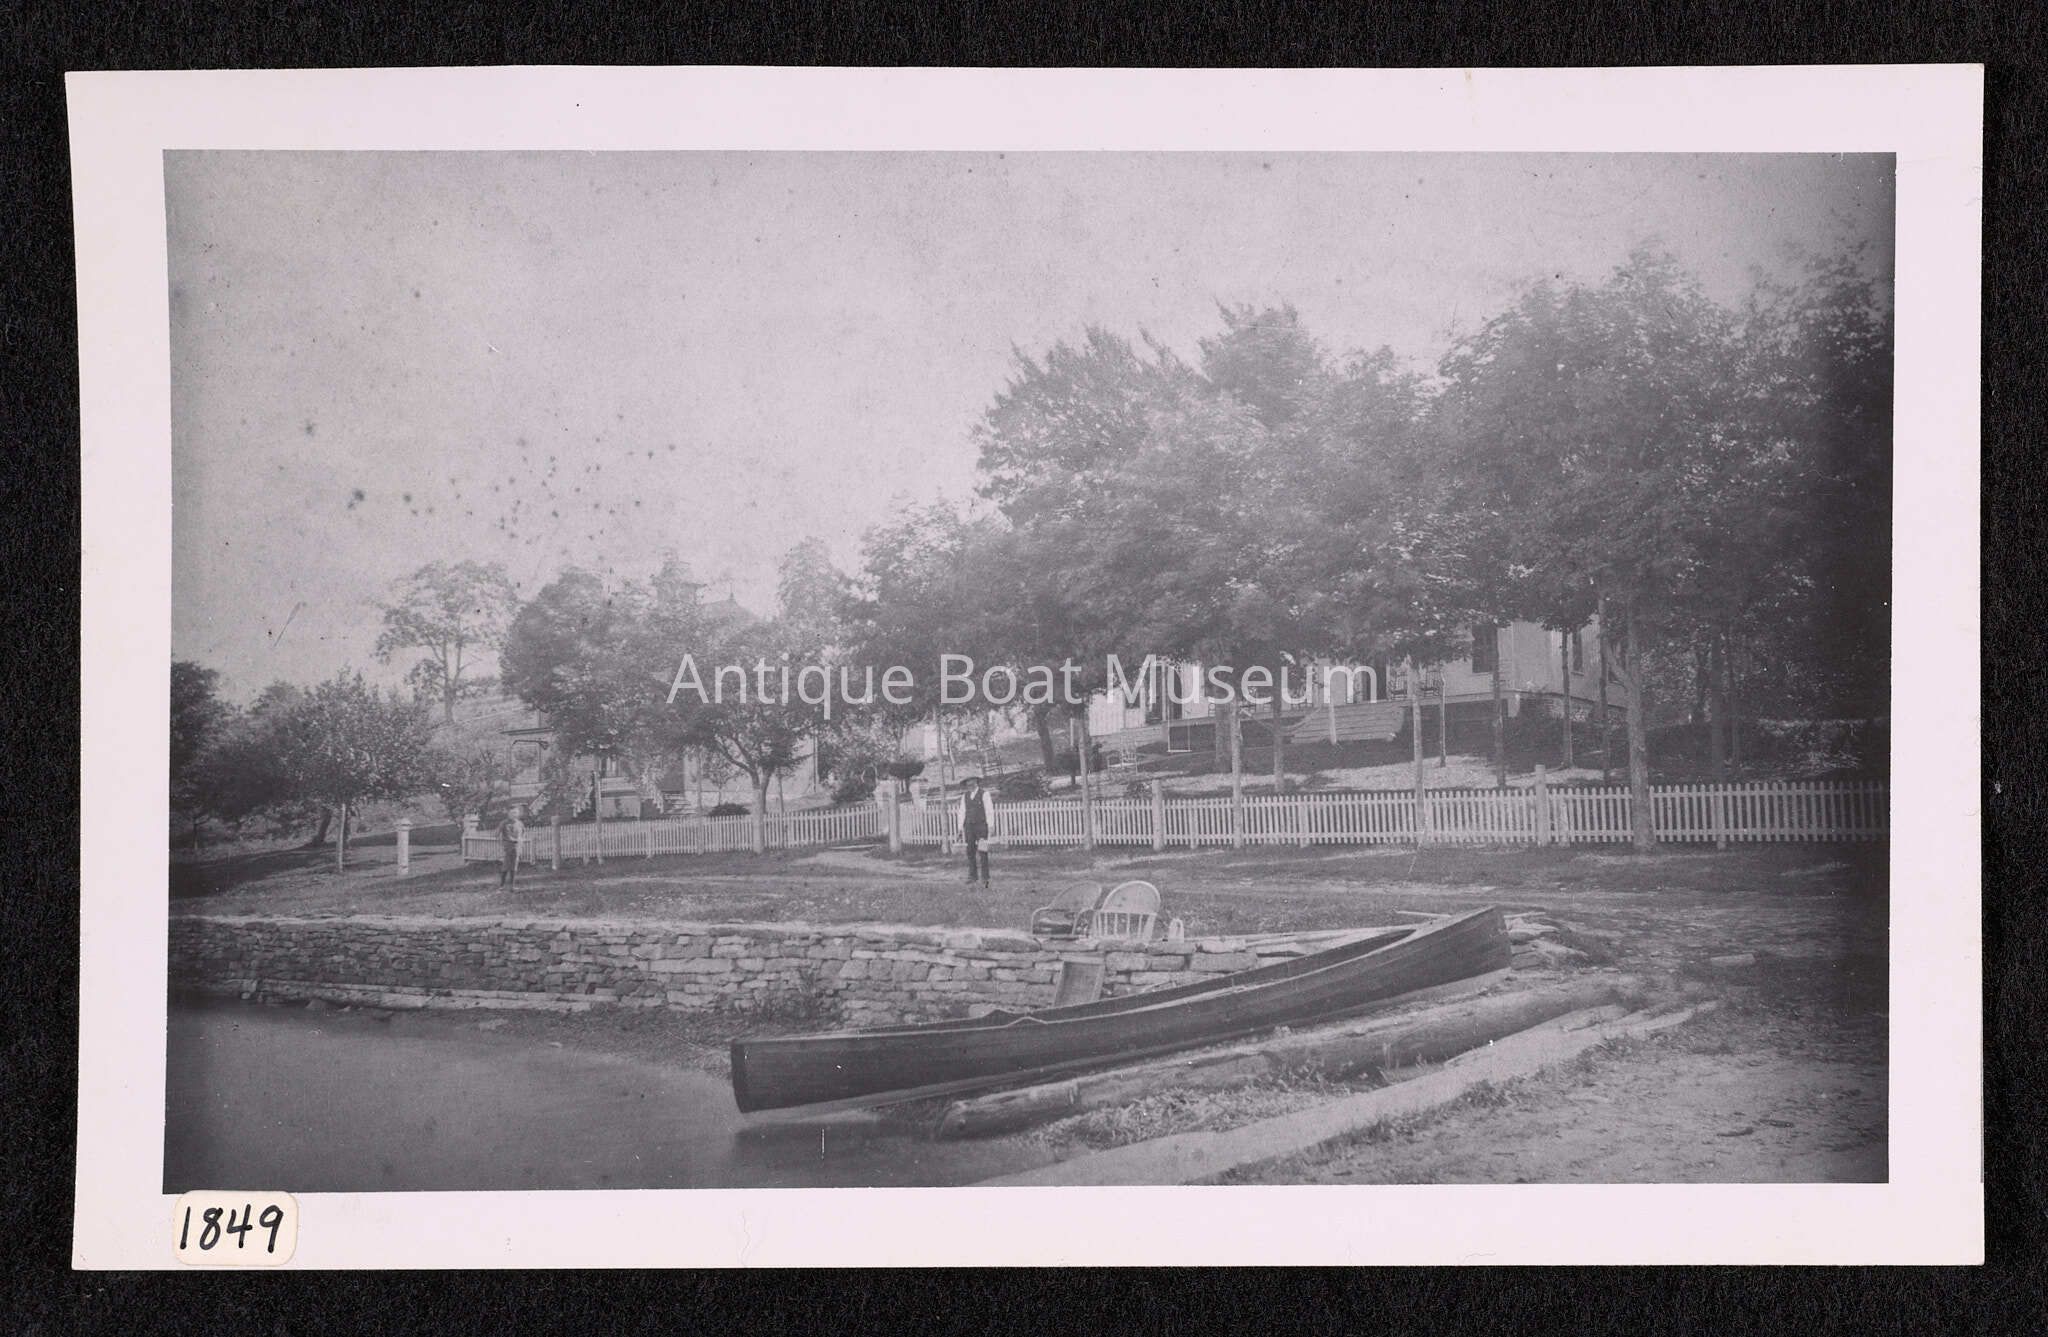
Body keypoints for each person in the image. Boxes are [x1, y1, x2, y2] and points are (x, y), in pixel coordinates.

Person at [958, 776, 994, 889]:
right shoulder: (965, 796)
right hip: (969, 827)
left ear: (976, 782)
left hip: (981, 826)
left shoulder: (984, 794)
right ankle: (973, 876)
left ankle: (985, 877)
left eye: (972, 782)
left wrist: (991, 825)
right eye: (968, 783)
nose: (970, 785)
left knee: (982, 851)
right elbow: (962, 812)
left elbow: (989, 810)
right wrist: (960, 827)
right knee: (970, 851)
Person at [497, 805, 526, 889]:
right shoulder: (504, 823)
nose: (514, 815)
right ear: (508, 814)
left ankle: (512, 886)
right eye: (512, 813)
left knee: (514, 865)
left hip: (517, 846)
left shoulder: (520, 823)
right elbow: (497, 834)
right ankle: (501, 885)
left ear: (518, 814)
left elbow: (523, 833)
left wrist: (521, 840)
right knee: (506, 865)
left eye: (516, 813)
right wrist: (502, 843)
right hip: (508, 846)